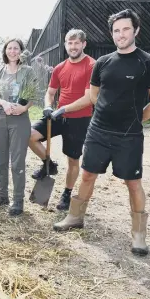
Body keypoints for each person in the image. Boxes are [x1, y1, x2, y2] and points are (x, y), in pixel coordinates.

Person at [53, 9, 150, 257]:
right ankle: (74, 217)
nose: (121, 34)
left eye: (126, 29)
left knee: (133, 183)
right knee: (86, 176)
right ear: (112, 34)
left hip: (129, 136)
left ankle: (138, 236)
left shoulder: (149, 63)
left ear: (136, 30)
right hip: (98, 131)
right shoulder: (103, 62)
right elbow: (94, 95)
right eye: (116, 30)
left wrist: (135, 121)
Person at [29, 29, 96, 210]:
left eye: (76, 43)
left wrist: (64, 109)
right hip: (58, 115)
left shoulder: (92, 65)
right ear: (66, 44)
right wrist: (48, 106)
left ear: (83, 44)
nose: (73, 47)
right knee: (30, 135)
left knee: (72, 159)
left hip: (79, 119)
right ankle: (49, 164)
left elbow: (89, 98)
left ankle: (66, 193)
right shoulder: (60, 68)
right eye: (69, 43)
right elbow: (50, 93)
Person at [0, 38, 38, 216]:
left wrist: (23, 108)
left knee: (17, 162)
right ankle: (2, 195)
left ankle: (18, 200)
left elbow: (33, 95)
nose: (12, 51)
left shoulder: (28, 72)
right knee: (1, 160)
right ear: (5, 51)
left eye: (16, 48)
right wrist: (4, 103)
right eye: (9, 48)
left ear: (21, 51)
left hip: (19, 119)